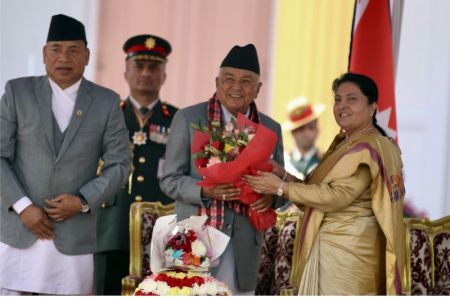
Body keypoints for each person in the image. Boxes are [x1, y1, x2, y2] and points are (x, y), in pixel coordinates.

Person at [0, 14, 131, 295]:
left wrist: (83, 201)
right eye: (56, 49)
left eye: (73, 50)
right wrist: (24, 206)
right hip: (18, 230)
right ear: (45, 54)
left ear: (87, 56)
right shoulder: (17, 92)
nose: (64, 57)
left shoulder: (106, 101)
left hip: (74, 236)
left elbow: (119, 164)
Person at [245, 72, 406, 295]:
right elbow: (313, 192)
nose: (342, 106)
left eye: (352, 99)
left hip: (348, 258)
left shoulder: (369, 148)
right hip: (328, 252)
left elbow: (338, 196)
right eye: (337, 99)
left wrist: (280, 187)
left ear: (373, 107)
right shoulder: (345, 143)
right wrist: (282, 174)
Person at [160, 44, 286, 295]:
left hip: (245, 248)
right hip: (195, 241)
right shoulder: (188, 119)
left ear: (258, 88)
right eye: (229, 79)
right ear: (217, 82)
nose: (237, 87)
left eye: (246, 81)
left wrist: (271, 197)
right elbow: (169, 180)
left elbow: (280, 185)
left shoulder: (271, 128)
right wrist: (206, 191)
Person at [94, 34, 178, 295]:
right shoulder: (106, 116)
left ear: (164, 76)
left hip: (162, 232)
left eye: (154, 67)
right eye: (138, 66)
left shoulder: (177, 120)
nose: (146, 73)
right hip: (112, 228)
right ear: (126, 73)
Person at [283, 96, 325, 181]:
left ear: (317, 130)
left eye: (310, 127)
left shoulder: (326, 161)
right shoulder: (283, 161)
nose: (306, 133)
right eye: (300, 129)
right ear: (292, 133)